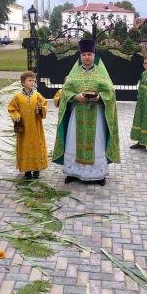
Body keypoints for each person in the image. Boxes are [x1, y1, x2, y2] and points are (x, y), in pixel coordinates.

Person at [53, 39, 120, 185]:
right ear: (80, 56)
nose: (87, 57)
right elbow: (65, 91)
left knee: (97, 142)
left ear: (94, 55)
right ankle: (73, 172)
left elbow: (111, 92)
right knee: (73, 140)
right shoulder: (74, 73)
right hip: (77, 114)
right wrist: (75, 96)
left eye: (89, 54)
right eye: (84, 54)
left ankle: (98, 175)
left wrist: (99, 97)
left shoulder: (101, 73)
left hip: (96, 115)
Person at [8, 70, 48, 179]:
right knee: (25, 147)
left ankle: (37, 169)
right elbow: (12, 108)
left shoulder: (37, 95)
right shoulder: (17, 97)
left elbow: (44, 105)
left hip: (36, 127)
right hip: (24, 128)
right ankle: (27, 171)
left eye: (34, 81)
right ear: (23, 83)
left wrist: (41, 109)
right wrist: (16, 116)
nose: (32, 83)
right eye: (30, 80)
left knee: (36, 146)